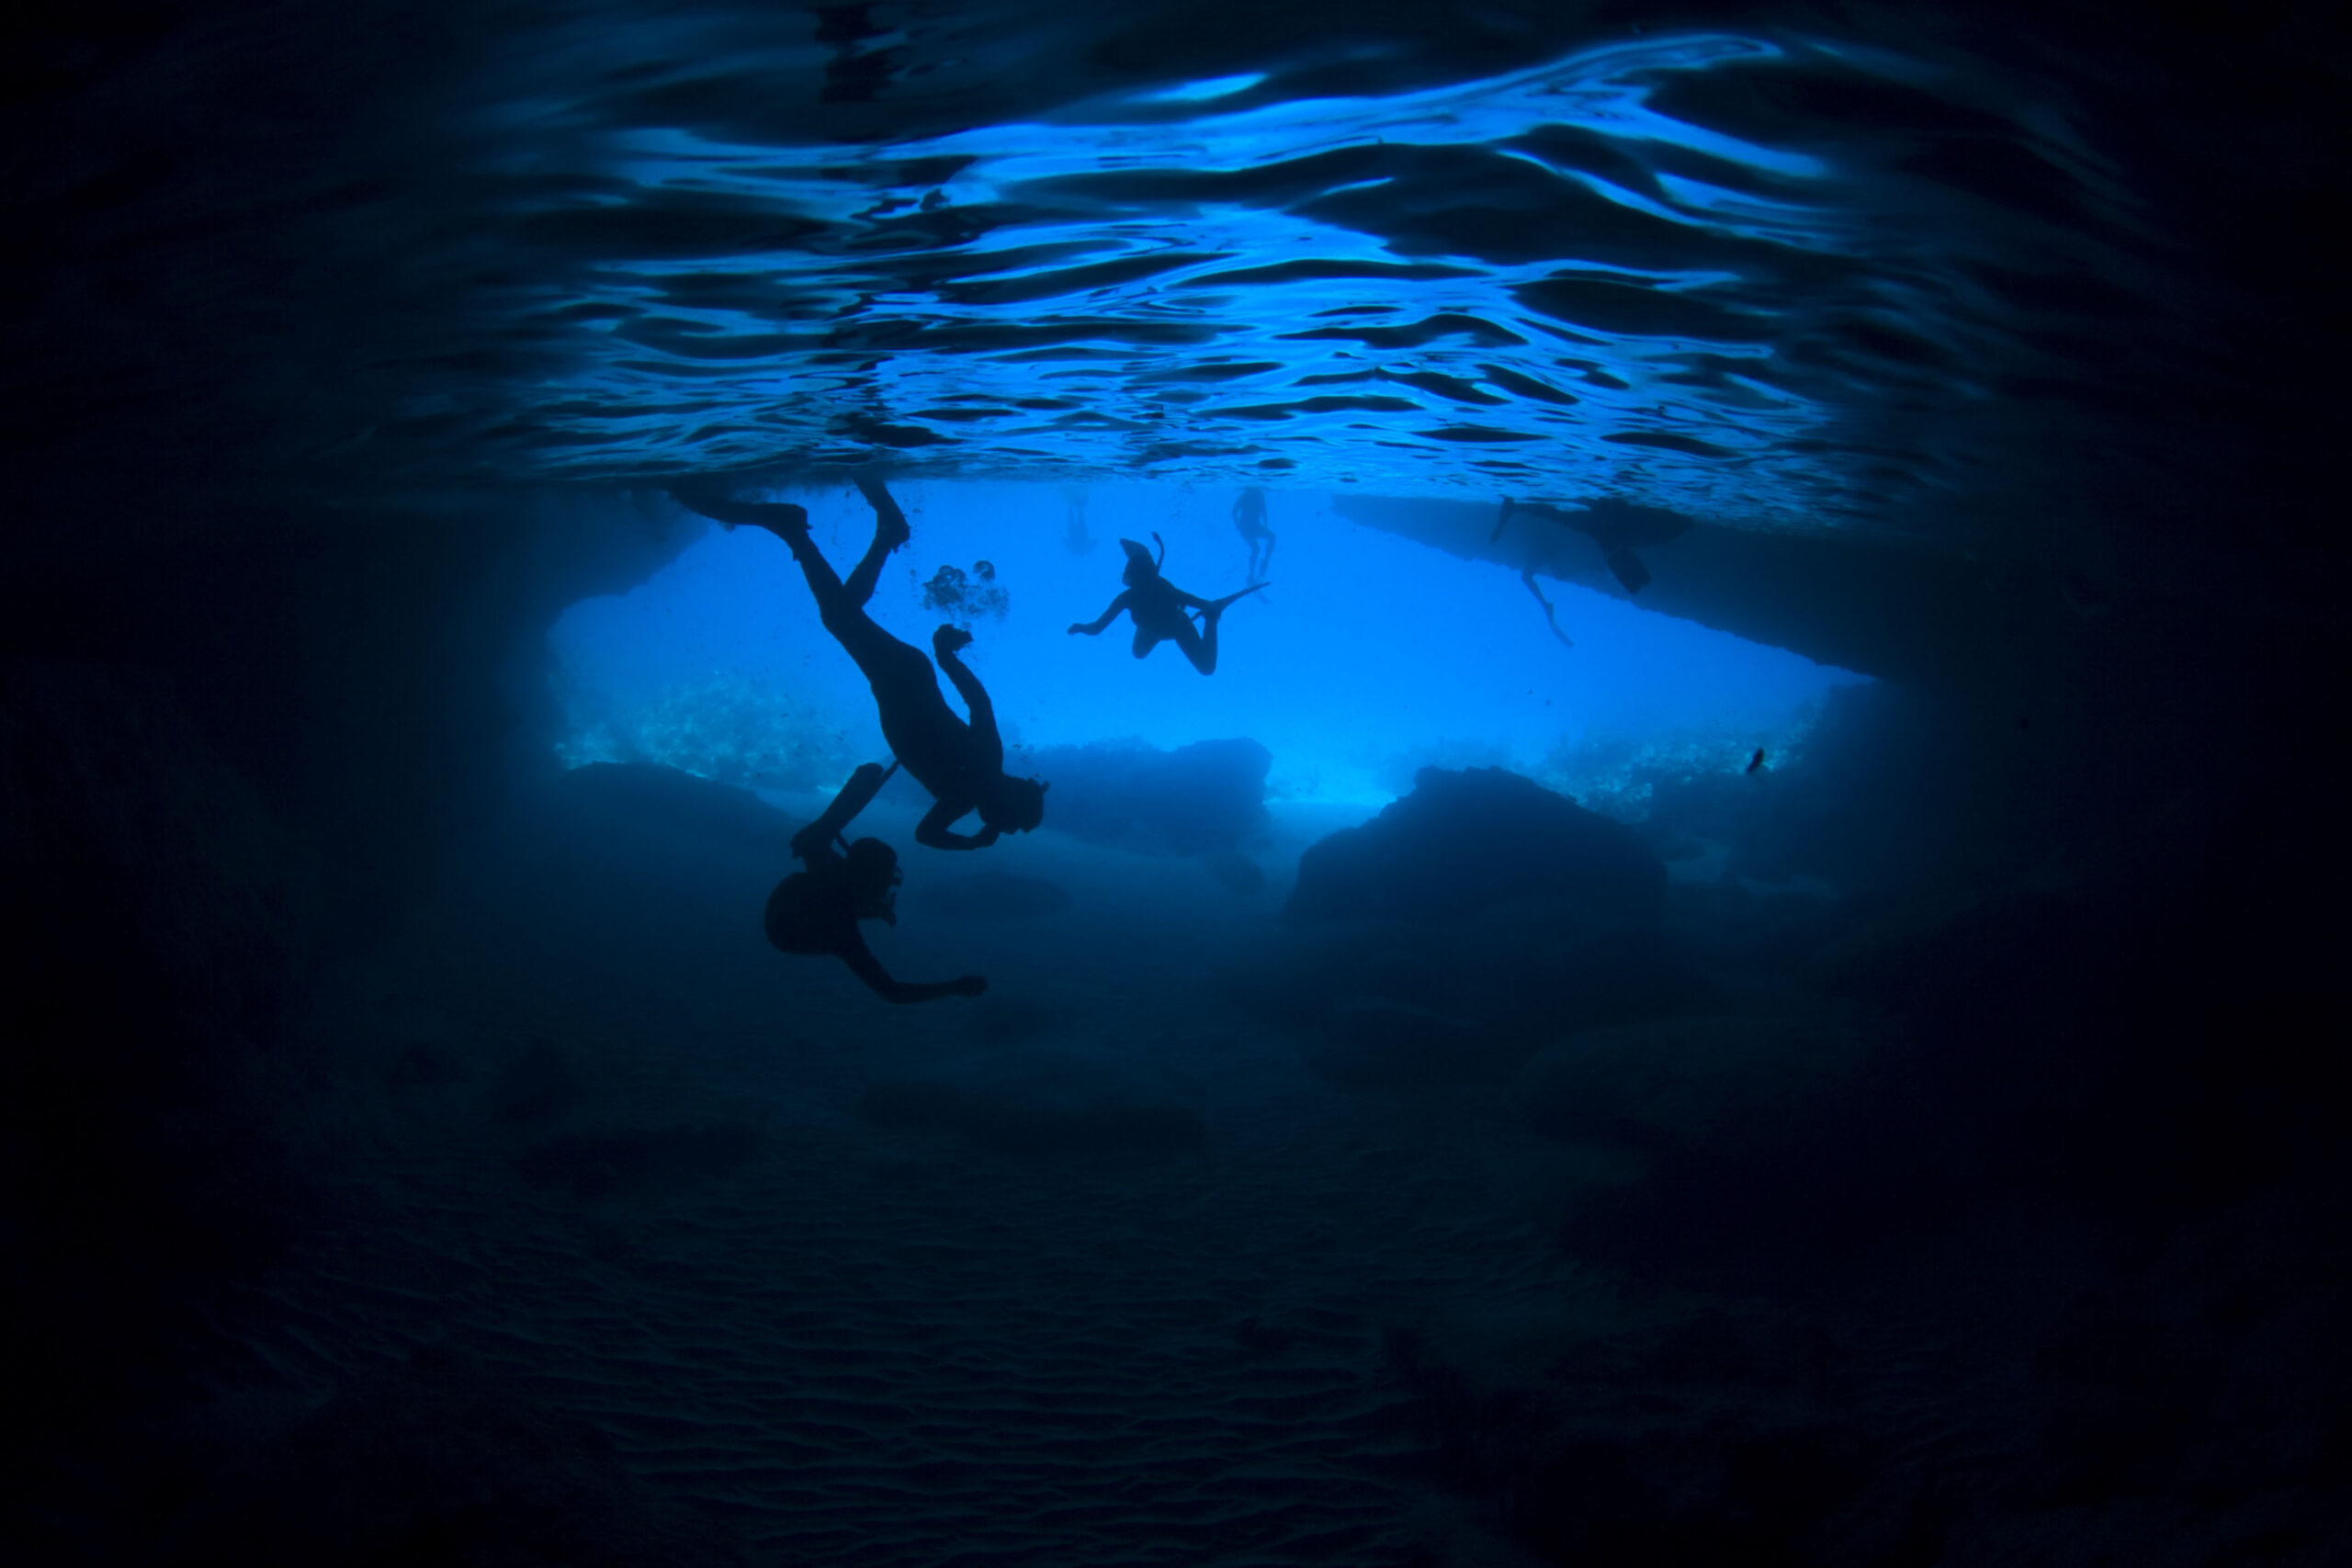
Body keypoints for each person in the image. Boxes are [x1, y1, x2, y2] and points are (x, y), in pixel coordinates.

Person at [672, 475, 1046, 851]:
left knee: (843, 609)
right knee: (838, 616)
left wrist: (945, 657)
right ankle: (801, 532)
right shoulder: (974, 780)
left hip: (905, 676)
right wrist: (945, 656)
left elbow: (979, 705)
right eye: (1008, 822)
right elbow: (977, 710)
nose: (1003, 825)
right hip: (904, 678)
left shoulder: (968, 789)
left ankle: (881, 534)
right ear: (1002, 808)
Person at [765, 761, 986, 1003]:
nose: (888, 885)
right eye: (885, 880)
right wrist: (954, 987)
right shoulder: (839, 928)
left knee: (817, 843)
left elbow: (816, 843)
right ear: (870, 882)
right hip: (790, 933)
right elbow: (891, 991)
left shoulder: (832, 873)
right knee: (819, 846)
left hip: (811, 895)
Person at [1067, 533, 1264, 675]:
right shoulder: (1150, 591)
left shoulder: (1136, 595)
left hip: (1174, 627)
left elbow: (1097, 628)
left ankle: (1211, 620)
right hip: (1161, 628)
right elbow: (1097, 627)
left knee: (1206, 668)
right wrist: (1082, 628)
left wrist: (1210, 610)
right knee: (1140, 653)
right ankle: (1211, 617)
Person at [1232, 486, 1275, 583]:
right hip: (1246, 527)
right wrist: (1238, 525)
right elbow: (1234, 510)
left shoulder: (1259, 496)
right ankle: (1251, 574)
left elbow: (1264, 512)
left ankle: (1263, 565)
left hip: (1254, 526)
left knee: (1271, 538)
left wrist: (1265, 526)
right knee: (1256, 549)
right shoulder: (1246, 495)